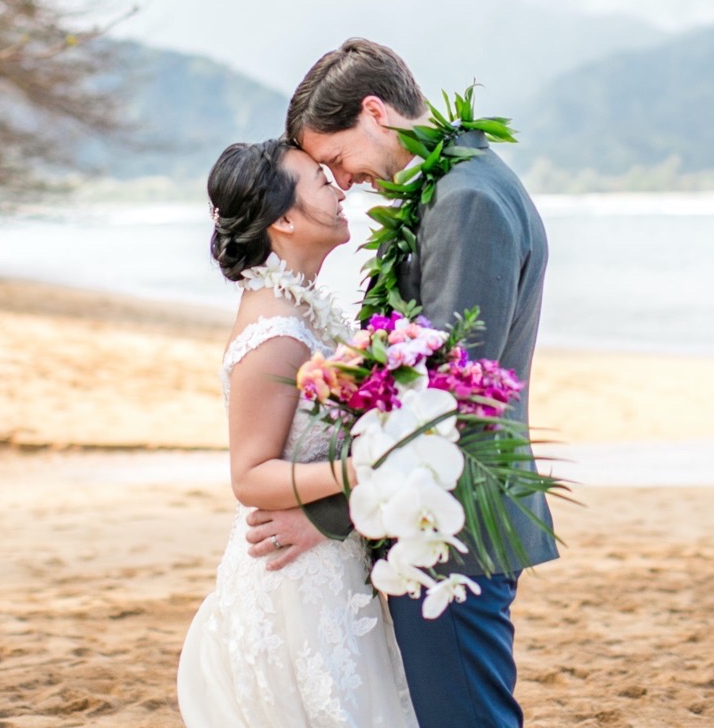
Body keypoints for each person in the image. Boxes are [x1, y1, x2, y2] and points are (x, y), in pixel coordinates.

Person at [244, 38, 558, 728]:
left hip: (454, 518)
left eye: (336, 159)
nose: (344, 180)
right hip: (432, 509)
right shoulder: (453, 186)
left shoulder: (466, 198)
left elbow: (445, 390)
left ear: (375, 112)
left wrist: (323, 517)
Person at [176, 138, 418, 727]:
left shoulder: (305, 313)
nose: (339, 189)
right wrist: (362, 471)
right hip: (294, 583)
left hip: (328, 565)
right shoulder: (276, 332)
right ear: (283, 218)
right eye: (319, 179)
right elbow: (250, 475)